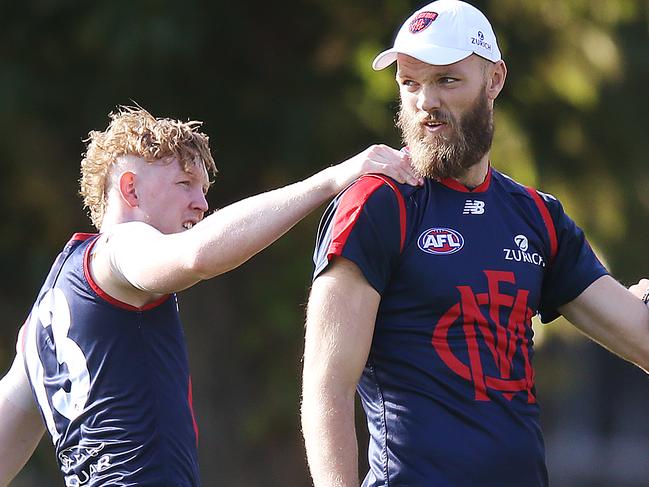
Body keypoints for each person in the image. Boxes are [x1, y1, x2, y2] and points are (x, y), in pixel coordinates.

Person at [300, 1, 649, 486]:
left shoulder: (537, 216)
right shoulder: (378, 203)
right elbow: (326, 387)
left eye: (446, 80)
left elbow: (641, 334)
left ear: (495, 80)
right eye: (410, 83)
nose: (425, 101)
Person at [0, 106, 421, 487]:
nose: (202, 204)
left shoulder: (47, 310)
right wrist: (330, 180)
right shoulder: (120, 247)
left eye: (203, 189)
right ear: (130, 190)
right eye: (185, 183)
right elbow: (197, 255)